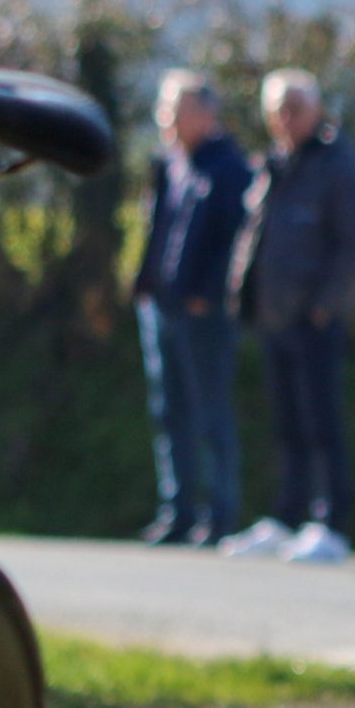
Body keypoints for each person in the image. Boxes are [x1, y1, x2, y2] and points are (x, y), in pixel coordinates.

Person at [221, 69, 355, 564]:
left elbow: (354, 246)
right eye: (278, 110)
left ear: (315, 110)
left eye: (295, 108)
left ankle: (330, 522)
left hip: (314, 320)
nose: (286, 118)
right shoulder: (273, 165)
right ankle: (287, 516)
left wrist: (325, 307)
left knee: (321, 422)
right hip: (275, 316)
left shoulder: (337, 164)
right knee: (286, 422)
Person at [133, 69, 252, 548]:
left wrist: (209, 293)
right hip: (161, 306)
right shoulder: (169, 164)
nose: (166, 120)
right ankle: (178, 511)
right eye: (164, 110)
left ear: (205, 114)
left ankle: (220, 514)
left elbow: (235, 242)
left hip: (203, 312)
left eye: (175, 110)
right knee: (169, 411)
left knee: (209, 411)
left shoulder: (229, 168)